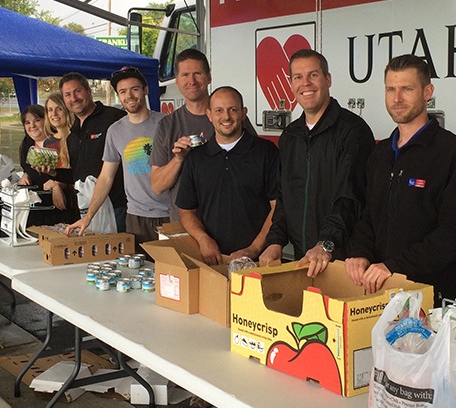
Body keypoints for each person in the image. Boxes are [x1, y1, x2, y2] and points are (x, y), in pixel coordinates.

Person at [345, 55, 456, 302]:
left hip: (433, 297)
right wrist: (361, 252)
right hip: (381, 289)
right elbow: (368, 215)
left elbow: (454, 232)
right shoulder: (380, 154)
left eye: (407, 89)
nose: (397, 98)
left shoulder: (452, 153)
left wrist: (394, 266)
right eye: (390, 89)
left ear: (428, 92)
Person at [258, 49, 374, 277]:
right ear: (291, 84)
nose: (306, 83)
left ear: (327, 79)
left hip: (345, 262)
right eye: (298, 77)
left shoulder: (353, 131)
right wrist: (275, 241)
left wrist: (325, 244)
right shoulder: (290, 136)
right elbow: (284, 197)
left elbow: (349, 197)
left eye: (313, 75)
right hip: (304, 259)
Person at [66, 67, 171, 244]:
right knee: (137, 262)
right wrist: (88, 217)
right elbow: (106, 177)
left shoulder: (167, 123)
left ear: (145, 90)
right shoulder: (115, 131)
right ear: (118, 96)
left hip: (170, 214)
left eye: (134, 89)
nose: (129, 96)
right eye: (123, 91)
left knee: (171, 263)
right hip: (135, 217)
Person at [176, 87, 279, 265]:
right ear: (209, 115)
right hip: (211, 260)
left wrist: (254, 249)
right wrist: (203, 240)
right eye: (219, 110)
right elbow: (186, 210)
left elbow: (277, 207)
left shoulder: (266, 152)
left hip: (258, 260)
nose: (226, 117)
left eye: (233, 109)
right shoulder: (196, 158)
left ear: (243, 113)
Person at [150, 49, 255, 221]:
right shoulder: (167, 125)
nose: (191, 81)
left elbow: (258, 164)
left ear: (209, 77)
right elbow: (157, 186)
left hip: (234, 221)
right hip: (186, 224)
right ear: (177, 81)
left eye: (197, 73)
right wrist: (178, 159)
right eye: (185, 75)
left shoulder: (231, 118)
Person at [57, 72, 127, 231]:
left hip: (118, 207)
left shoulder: (115, 118)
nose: (74, 98)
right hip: (88, 210)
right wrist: (53, 174)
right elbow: (78, 174)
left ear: (89, 91)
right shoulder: (72, 135)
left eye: (77, 91)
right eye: (68, 95)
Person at [17, 104, 71, 226]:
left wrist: (57, 184)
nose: (32, 126)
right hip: (37, 206)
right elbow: (28, 167)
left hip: (62, 205)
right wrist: (26, 173)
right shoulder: (27, 144)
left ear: (46, 120)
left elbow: (72, 173)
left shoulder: (60, 142)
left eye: (37, 120)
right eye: (27, 122)